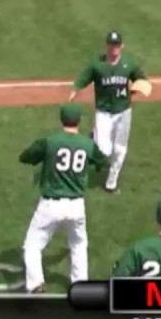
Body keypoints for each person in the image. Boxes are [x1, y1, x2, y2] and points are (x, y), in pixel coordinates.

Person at [20, 104, 108, 293]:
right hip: (76, 206)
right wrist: (92, 147)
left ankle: (35, 284)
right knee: (78, 245)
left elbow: (26, 157)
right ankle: (80, 284)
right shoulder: (86, 144)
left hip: (50, 205)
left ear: (62, 120)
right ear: (79, 121)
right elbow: (103, 161)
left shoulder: (50, 141)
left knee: (32, 245)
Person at [68, 31, 147, 193]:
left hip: (123, 111)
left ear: (122, 46)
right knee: (104, 151)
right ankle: (94, 138)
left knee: (119, 150)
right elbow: (84, 77)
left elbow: (141, 79)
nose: (114, 48)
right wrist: (75, 89)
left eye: (117, 45)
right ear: (107, 46)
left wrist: (139, 87)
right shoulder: (98, 65)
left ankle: (111, 182)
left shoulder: (129, 64)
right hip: (103, 112)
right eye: (111, 45)